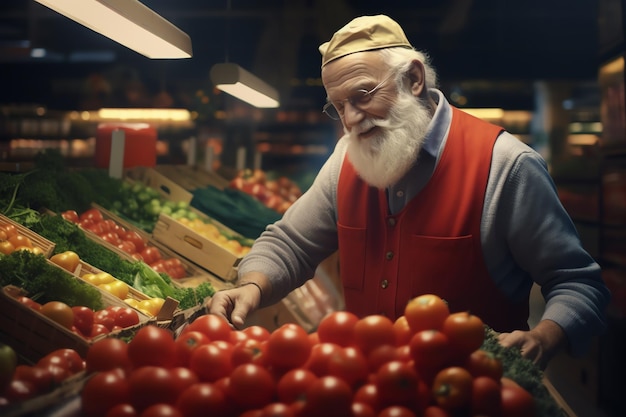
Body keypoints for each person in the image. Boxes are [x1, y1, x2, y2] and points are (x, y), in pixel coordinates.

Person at [208, 14, 610, 368]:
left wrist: (544, 337)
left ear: (413, 79)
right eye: (338, 106)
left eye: (363, 95)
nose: (350, 120)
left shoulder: (506, 165)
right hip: (373, 390)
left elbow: (577, 282)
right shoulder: (346, 159)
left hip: (475, 395)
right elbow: (291, 243)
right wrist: (251, 286)